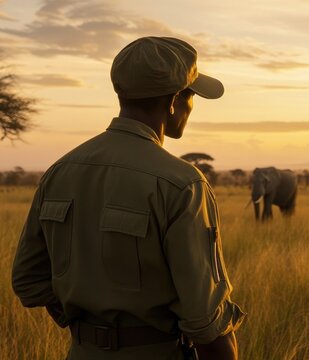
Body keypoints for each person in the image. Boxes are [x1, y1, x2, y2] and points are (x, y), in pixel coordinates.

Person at [11, 36, 245, 360]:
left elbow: (28, 281)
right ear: (175, 100)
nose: (192, 106)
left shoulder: (59, 171)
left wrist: (88, 327)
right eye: (192, 95)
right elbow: (205, 321)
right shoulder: (183, 183)